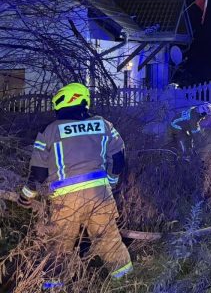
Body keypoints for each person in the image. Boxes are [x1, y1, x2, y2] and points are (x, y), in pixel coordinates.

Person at [17, 82, 133, 287]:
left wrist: (27, 195)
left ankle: (53, 287)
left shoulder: (50, 130)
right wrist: (111, 183)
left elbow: (39, 173)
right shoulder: (104, 125)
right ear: (83, 101)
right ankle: (128, 284)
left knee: (58, 247)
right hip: (100, 195)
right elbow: (119, 159)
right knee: (109, 241)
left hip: (65, 200)